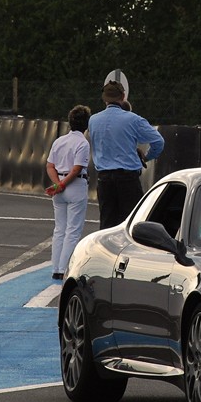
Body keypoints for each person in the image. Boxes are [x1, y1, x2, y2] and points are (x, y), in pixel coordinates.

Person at [89, 81, 165, 229]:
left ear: (104, 99)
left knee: (107, 224)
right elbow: (158, 141)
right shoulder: (133, 119)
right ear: (123, 96)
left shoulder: (93, 120)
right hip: (127, 178)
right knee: (131, 224)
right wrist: (146, 157)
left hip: (104, 178)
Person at [45, 104, 92, 280]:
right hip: (75, 186)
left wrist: (57, 184)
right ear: (86, 125)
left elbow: (50, 166)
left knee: (59, 229)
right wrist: (64, 184)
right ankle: (65, 268)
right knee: (73, 229)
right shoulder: (82, 143)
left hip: (59, 186)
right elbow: (77, 169)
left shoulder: (59, 141)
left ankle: (55, 267)